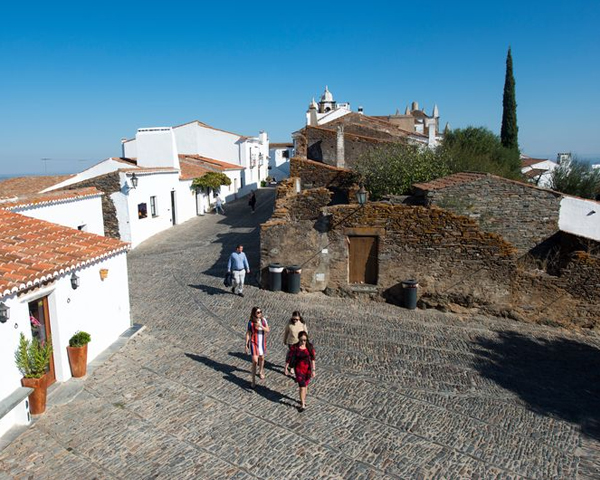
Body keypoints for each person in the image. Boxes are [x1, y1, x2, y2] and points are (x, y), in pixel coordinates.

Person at [285, 331, 316, 412]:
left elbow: (313, 359)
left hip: (308, 369)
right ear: (298, 339)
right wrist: (286, 368)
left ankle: (303, 400)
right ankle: (302, 404)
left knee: (305, 386)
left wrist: (313, 370)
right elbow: (289, 357)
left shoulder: (310, 347)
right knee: (302, 386)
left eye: (305, 340)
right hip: (298, 369)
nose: (303, 342)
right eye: (301, 340)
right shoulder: (295, 347)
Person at [245, 306, 270, 388]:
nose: (260, 313)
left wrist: (261, 326)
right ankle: (253, 380)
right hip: (253, 343)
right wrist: (246, 344)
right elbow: (248, 333)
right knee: (255, 361)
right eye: (258, 312)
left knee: (262, 358)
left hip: (262, 342)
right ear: (254, 313)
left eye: (260, 312)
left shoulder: (263, 321)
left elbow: (268, 330)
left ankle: (261, 371)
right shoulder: (250, 322)